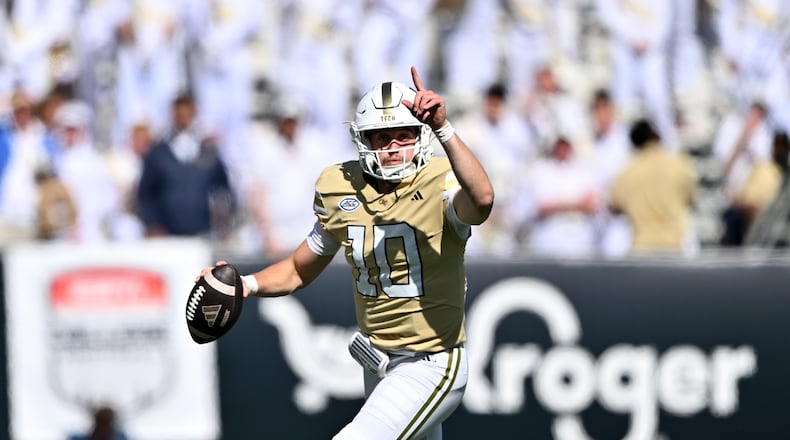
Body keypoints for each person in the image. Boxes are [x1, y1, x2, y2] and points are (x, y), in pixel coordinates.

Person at [201, 67, 494, 439]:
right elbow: (297, 268)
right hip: (378, 362)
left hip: (431, 362)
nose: (393, 147)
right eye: (382, 137)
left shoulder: (441, 182)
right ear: (363, 140)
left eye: (404, 136)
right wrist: (246, 284)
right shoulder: (341, 187)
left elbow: (482, 199)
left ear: (422, 137)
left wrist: (444, 127)